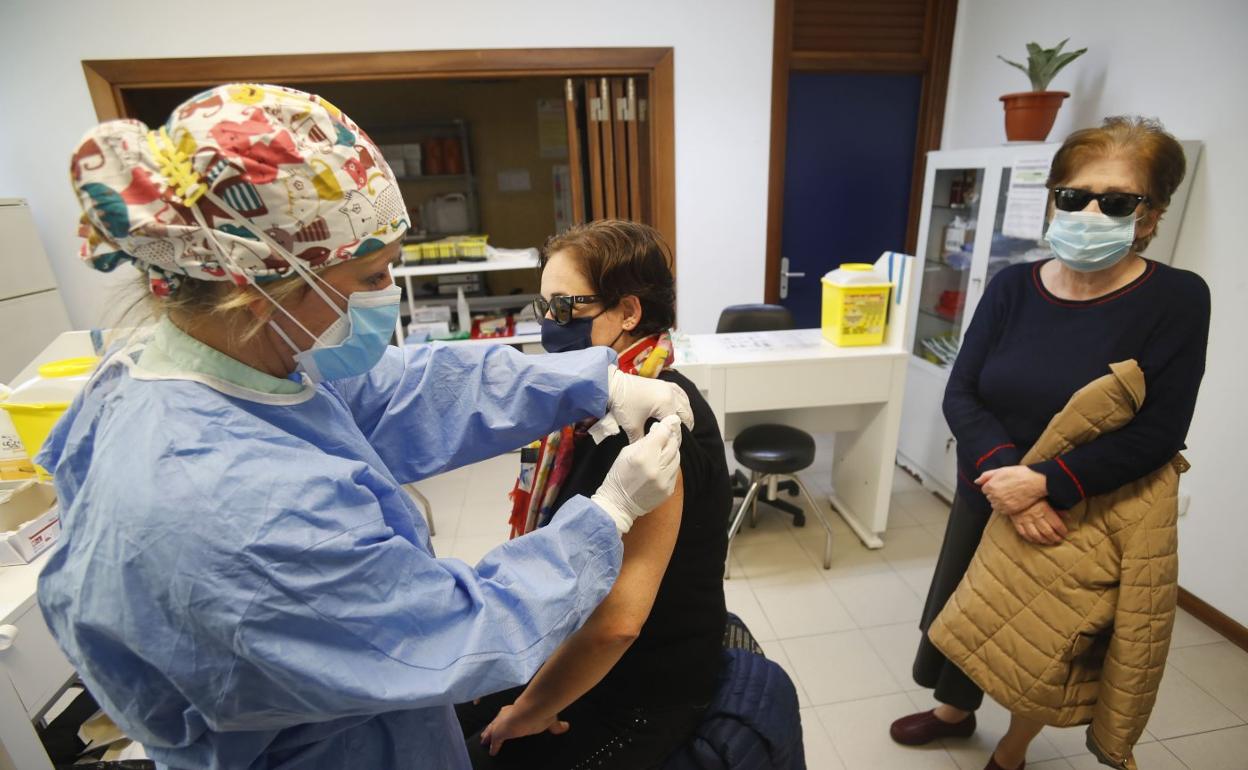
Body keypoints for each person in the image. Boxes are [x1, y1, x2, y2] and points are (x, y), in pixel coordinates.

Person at [39, 84, 696, 770]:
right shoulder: (234, 511)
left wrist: (588, 380)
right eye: (372, 275)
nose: (386, 296)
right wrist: (606, 517)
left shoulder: (205, 370)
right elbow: (451, 631)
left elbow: (397, 393)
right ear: (261, 286)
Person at [890, 116, 1209, 770]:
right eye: (1073, 196)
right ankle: (954, 712)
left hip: (1079, 507)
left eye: (1116, 201)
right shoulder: (1013, 286)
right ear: (1054, 200)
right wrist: (1007, 479)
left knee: (1040, 641)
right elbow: (963, 394)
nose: (1090, 212)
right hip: (991, 488)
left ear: (1150, 216)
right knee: (965, 612)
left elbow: (1159, 431)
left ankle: (1011, 750)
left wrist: (1045, 486)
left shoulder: (1176, 299)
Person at [455, 221, 731, 770]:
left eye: (564, 309)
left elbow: (618, 624)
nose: (549, 325)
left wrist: (532, 706)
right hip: (582, 645)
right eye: (544, 308)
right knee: (448, 714)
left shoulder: (650, 426)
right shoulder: (596, 408)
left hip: (641, 684)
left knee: (478, 750)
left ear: (628, 312)